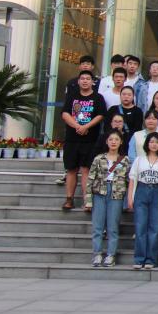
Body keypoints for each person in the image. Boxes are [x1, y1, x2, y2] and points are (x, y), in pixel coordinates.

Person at [61, 70, 106, 210]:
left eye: (88, 78)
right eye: (82, 78)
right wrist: (78, 126)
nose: (85, 81)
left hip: (90, 140)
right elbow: (65, 114)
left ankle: (87, 201)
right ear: (78, 81)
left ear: (92, 82)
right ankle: (69, 199)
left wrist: (86, 126)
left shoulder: (98, 98)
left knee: (86, 169)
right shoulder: (72, 96)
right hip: (72, 139)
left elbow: (100, 115)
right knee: (71, 169)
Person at [87, 131, 130, 267]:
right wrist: (88, 200)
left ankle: (111, 255)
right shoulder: (99, 158)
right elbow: (90, 179)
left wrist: (128, 200)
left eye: (116, 139)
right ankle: (97, 254)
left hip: (117, 194)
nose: (113, 142)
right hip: (99, 192)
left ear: (121, 142)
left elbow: (129, 180)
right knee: (98, 226)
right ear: (106, 142)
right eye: (111, 139)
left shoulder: (125, 160)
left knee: (113, 227)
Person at [127, 132, 158, 269]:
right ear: (147, 144)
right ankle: (139, 259)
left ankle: (151, 259)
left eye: (157, 142)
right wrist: (130, 197)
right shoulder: (139, 159)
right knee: (140, 226)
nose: (154, 144)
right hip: (142, 190)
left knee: (154, 228)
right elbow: (132, 179)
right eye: (151, 142)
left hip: (157, 191)